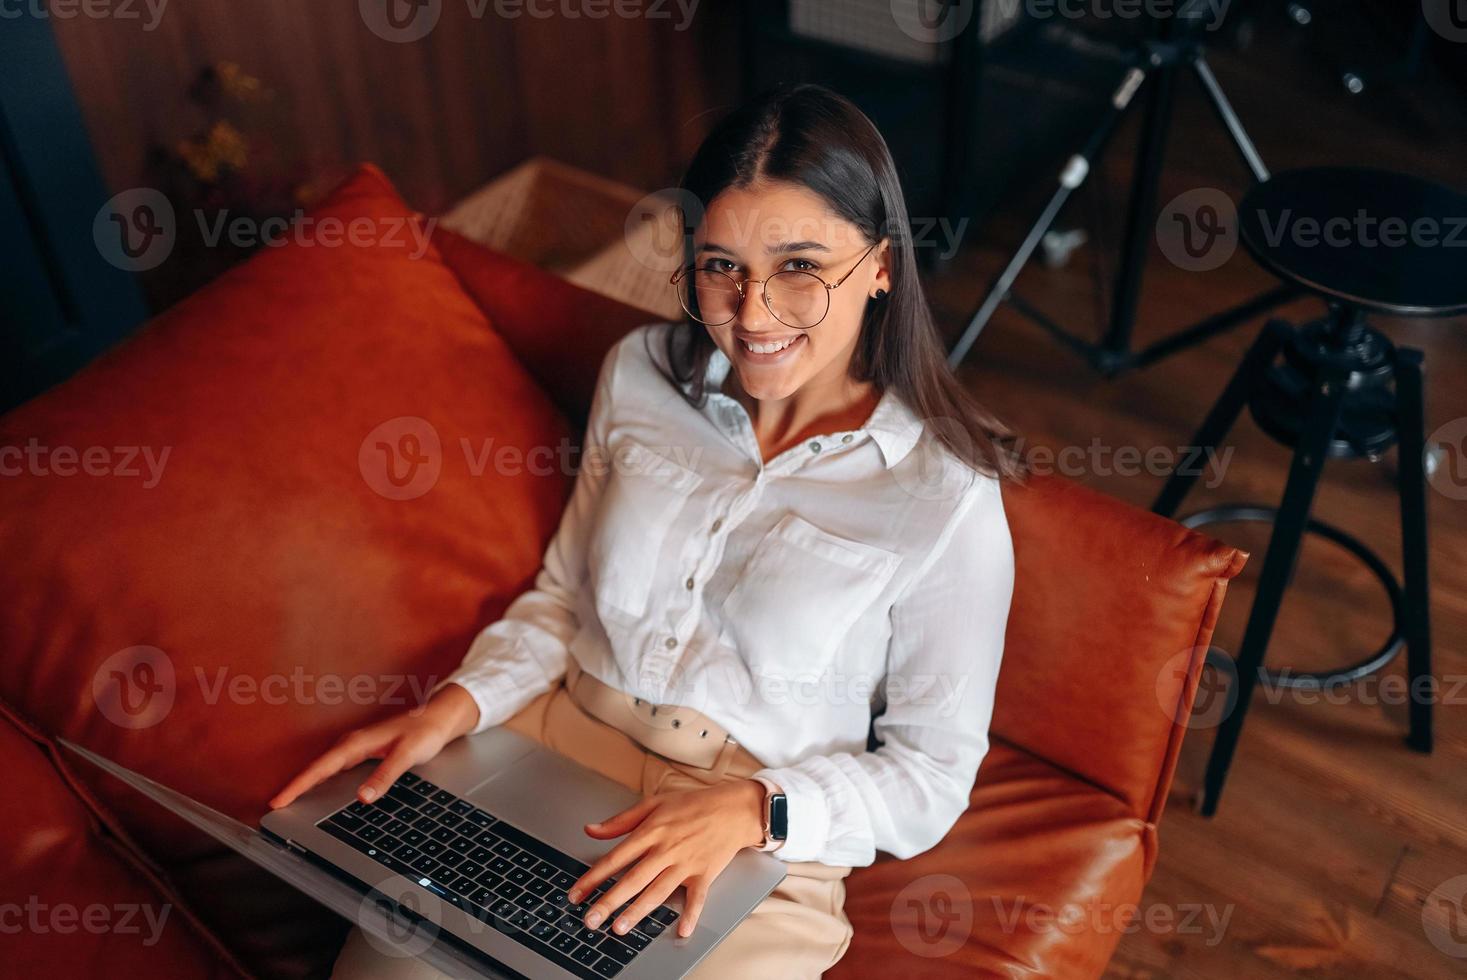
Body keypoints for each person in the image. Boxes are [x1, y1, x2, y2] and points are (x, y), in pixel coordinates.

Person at [270, 81, 1019, 979]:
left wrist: (755, 809)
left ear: (882, 266)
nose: (751, 315)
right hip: (548, 747)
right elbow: (562, 595)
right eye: (720, 266)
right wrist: (457, 708)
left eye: (799, 268)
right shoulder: (640, 375)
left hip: (744, 832)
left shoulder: (946, 496)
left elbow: (931, 776)